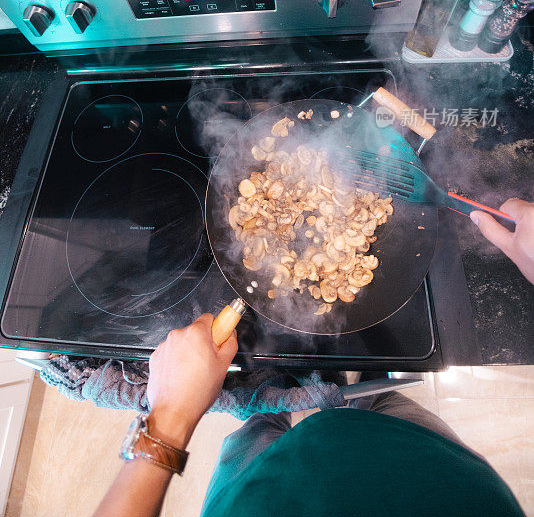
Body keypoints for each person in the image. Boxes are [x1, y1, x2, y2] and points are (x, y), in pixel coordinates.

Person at [93, 199, 533, 517]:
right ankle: (349, 398)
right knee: (375, 404)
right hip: (431, 476)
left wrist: (170, 416)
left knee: (260, 424)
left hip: (258, 499)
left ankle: (276, 410)